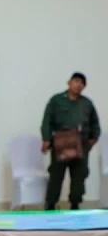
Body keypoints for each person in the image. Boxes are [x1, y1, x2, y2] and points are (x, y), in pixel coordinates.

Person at [41, 72, 101, 210]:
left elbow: (95, 124)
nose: (78, 84)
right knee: (56, 176)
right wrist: (46, 139)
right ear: (69, 82)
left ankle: (75, 204)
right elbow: (47, 121)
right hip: (60, 144)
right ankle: (51, 204)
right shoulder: (56, 100)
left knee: (79, 177)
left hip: (80, 145)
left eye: (82, 83)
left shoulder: (87, 103)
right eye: (76, 81)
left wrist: (92, 140)